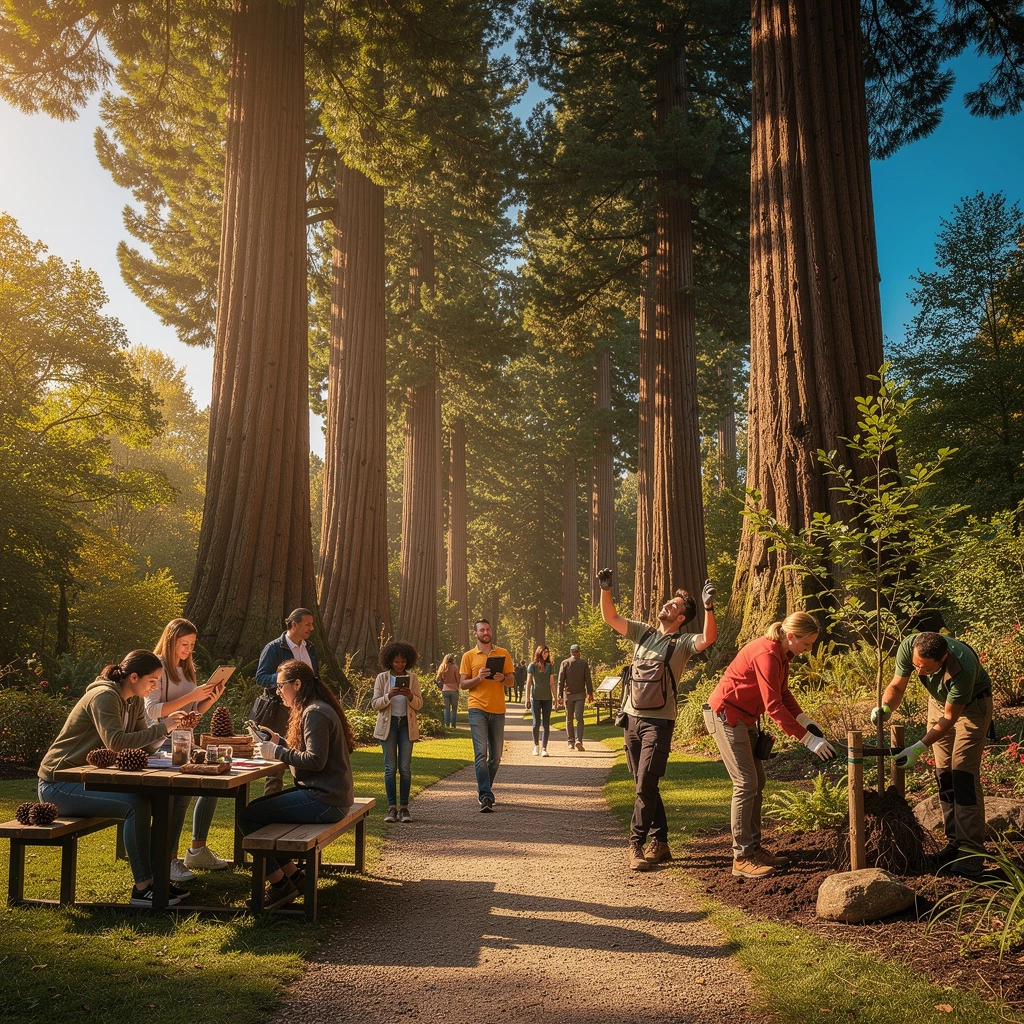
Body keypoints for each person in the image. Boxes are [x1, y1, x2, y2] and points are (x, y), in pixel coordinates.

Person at [37, 650, 190, 907]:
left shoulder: (134, 701)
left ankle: (159, 876)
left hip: (91, 779)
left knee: (175, 796)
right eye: (152, 680)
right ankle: (143, 887)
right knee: (135, 805)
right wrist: (162, 727)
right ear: (133, 677)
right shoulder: (104, 696)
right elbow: (116, 743)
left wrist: (170, 730)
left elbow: (144, 744)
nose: (155, 687)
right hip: (60, 783)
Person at [599, 567, 717, 871]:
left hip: (659, 723)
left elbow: (709, 638)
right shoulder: (643, 632)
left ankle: (635, 844)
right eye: (668, 602)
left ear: (680, 618)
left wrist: (708, 607)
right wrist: (606, 589)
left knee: (646, 783)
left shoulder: (683, 643)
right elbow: (610, 617)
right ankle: (662, 842)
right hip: (631, 721)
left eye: (674, 606)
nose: (667, 605)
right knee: (644, 783)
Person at [706, 612, 835, 880]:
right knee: (745, 783)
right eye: (807, 644)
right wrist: (807, 739)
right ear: (791, 636)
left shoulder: (782, 654)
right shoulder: (766, 654)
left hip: (745, 717)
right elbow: (772, 706)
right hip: (727, 716)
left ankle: (753, 848)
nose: (809, 650)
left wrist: (804, 719)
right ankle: (741, 857)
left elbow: (783, 693)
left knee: (758, 781)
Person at [874, 631, 994, 877]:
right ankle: (954, 843)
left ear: (944, 658)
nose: (919, 673)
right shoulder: (911, 646)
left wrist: (918, 747)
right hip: (938, 703)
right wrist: (885, 707)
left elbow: (950, 718)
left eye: (926, 670)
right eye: (917, 665)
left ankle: (971, 852)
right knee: (944, 773)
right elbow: (897, 685)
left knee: (962, 774)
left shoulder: (963, 667)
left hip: (970, 708)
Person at [241, 660, 356, 908]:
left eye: (281, 685)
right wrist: (279, 742)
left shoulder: (314, 712)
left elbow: (315, 760)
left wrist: (277, 752)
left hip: (325, 800)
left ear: (297, 684)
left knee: (248, 816)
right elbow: (310, 753)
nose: (278, 690)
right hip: (328, 796)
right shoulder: (316, 708)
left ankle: (280, 885)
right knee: (256, 812)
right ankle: (294, 876)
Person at [147, 618, 231, 882]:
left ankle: (197, 848)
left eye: (192, 645)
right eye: (184, 644)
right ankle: (168, 859)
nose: (188, 650)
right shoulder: (157, 667)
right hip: (163, 742)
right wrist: (191, 697)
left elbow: (193, 712)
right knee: (180, 796)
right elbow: (152, 711)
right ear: (171, 640)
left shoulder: (186, 669)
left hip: (185, 739)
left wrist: (207, 700)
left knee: (216, 777)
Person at [253, 608, 319, 795]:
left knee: (305, 754)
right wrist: (287, 679)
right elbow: (261, 678)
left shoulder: (310, 648)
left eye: (312, 624)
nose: (311, 628)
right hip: (281, 710)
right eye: (308, 624)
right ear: (294, 624)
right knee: (278, 764)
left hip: (306, 710)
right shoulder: (274, 648)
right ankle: (270, 805)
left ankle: (306, 797)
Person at [459, 618, 514, 812]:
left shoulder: (503, 653)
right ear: (476, 633)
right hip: (477, 709)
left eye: (488, 629)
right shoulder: (469, 656)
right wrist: (478, 678)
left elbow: (511, 680)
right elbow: (463, 684)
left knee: (496, 757)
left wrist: (502, 678)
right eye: (482, 630)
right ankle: (485, 796)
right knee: (481, 753)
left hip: (498, 709)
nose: (485, 632)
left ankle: (484, 789)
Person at [371, 641, 424, 823]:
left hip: (406, 726)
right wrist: (389, 696)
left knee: (405, 767)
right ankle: (391, 807)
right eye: (396, 661)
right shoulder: (382, 678)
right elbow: (375, 704)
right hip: (389, 725)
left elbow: (419, 704)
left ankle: (404, 807)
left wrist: (409, 695)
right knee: (390, 768)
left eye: (403, 661)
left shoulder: (413, 678)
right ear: (390, 661)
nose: (400, 664)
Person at [558, 643, 594, 751]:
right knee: (579, 717)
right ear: (579, 652)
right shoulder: (583, 663)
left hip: (568, 695)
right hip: (580, 694)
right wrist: (590, 693)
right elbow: (588, 679)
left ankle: (571, 742)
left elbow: (560, 681)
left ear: (571, 652)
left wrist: (560, 695)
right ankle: (579, 740)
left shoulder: (565, 663)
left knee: (569, 719)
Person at [526, 645, 555, 757]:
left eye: (547, 652)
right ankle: (536, 745)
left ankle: (544, 748)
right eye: (544, 652)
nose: (545, 654)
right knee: (536, 723)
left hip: (547, 698)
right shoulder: (532, 666)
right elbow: (529, 682)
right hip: (535, 698)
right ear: (539, 652)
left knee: (546, 724)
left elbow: (552, 683)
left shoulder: (550, 666)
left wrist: (556, 698)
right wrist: (527, 699)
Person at [436, 653, 460, 729]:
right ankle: (453, 725)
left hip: (445, 689)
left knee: (446, 708)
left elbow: (438, 679)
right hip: (454, 690)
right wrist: (457, 686)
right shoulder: (455, 667)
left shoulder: (442, 667)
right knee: (454, 708)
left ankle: (446, 725)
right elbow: (458, 679)